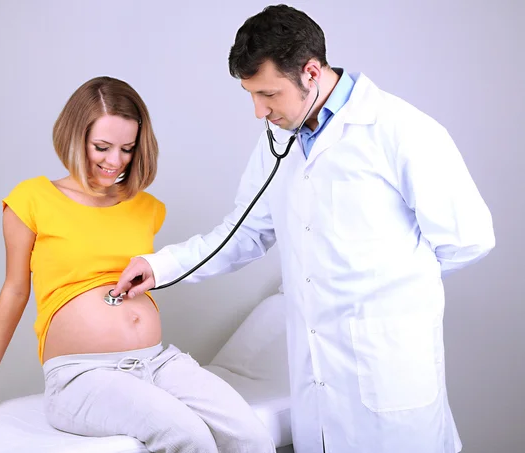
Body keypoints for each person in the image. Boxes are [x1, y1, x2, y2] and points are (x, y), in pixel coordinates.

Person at [113, 5, 496, 453]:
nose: (259, 110)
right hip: (317, 383)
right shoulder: (278, 141)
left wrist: (389, 299)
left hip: (390, 372)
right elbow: (245, 231)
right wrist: (160, 266)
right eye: (250, 94)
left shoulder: (401, 130)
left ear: (311, 72)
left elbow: (469, 239)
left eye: (268, 94)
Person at [0, 76, 275, 453]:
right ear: (75, 137)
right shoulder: (32, 199)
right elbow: (15, 290)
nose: (114, 161)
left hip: (158, 362)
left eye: (127, 148)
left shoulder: (145, 208)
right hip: (81, 375)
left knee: (251, 437)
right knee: (188, 436)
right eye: (102, 147)